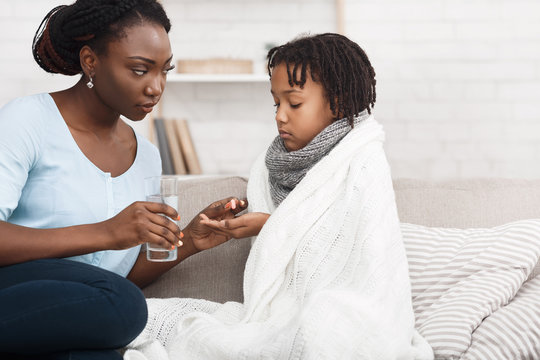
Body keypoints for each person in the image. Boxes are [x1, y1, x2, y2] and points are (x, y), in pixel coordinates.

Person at [125, 33, 433, 360]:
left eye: (294, 103)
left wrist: (270, 225)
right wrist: (261, 225)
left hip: (349, 306)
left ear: (338, 102)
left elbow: (359, 256)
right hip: (281, 312)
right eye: (277, 102)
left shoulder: (364, 158)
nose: (280, 115)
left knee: (323, 325)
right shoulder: (269, 167)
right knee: (151, 316)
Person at [0, 1, 245, 359]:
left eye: (165, 71)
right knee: (127, 306)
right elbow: (115, 294)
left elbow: (108, 286)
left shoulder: (145, 154)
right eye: (139, 70)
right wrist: (107, 232)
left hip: (68, 315)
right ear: (90, 61)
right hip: (15, 292)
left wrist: (188, 240)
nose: (155, 87)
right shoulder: (27, 121)